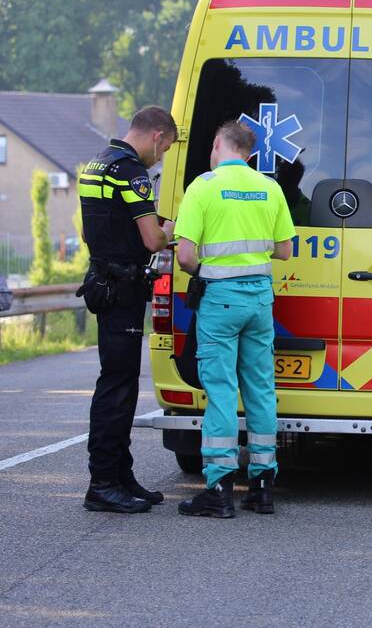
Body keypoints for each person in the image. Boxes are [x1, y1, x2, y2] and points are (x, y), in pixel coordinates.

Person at [175, 121, 295, 518]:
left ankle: (220, 487)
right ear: (249, 152)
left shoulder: (203, 187)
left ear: (217, 145)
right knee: (261, 387)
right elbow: (284, 251)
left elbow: (186, 256)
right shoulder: (270, 188)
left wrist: (210, 268)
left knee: (222, 389)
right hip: (260, 299)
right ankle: (262, 486)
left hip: (220, 301)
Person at [78, 106, 177, 513]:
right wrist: (171, 228)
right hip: (123, 288)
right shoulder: (131, 171)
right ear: (156, 135)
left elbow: (87, 230)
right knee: (118, 386)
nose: (163, 157)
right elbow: (153, 240)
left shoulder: (95, 165)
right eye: (166, 148)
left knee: (118, 381)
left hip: (103, 280)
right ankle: (102, 483)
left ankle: (121, 475)